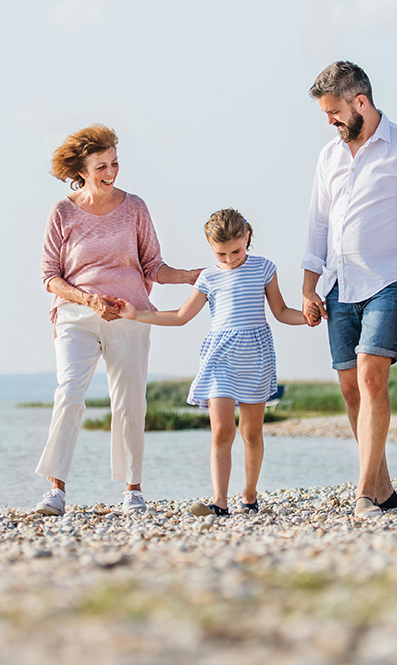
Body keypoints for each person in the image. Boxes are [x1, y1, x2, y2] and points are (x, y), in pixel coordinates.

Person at [33, 124, 200, 516]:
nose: (110, 173)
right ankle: (55, 491)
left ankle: (132, 491)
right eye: (101, 167)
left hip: (130, 314)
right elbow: (49, 277)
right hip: (76, 314)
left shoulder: (135, 207)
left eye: (114, 164)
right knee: (69, 393)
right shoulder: (62, 212)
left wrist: (191, 275)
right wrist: (88, 300)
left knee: (129, 402)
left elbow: (153, 265)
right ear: (82, 170)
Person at [120, 209, 306, 516]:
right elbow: (181, 316)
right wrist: (136, 314)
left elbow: (282, 311)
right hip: (220, 357)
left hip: (255, 356)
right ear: (209, 244)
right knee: (221, 432)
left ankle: (249, 494)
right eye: (222, 253)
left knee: (251, 433)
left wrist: (308, 319)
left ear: (247, 237)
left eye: (236, 251)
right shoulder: (208, 277)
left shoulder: (264, 268)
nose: (230, 259)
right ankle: (220, 501)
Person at [301, 61, 397, 517]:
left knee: (373, 376)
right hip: (338, 284)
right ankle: (385, 489)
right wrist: (308, 287)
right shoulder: (328, 157)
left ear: (360, 102)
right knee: (352, 390)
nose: (331, 121)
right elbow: (318, 223)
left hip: (389, 280)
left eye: (334, 111)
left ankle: (362, 494)